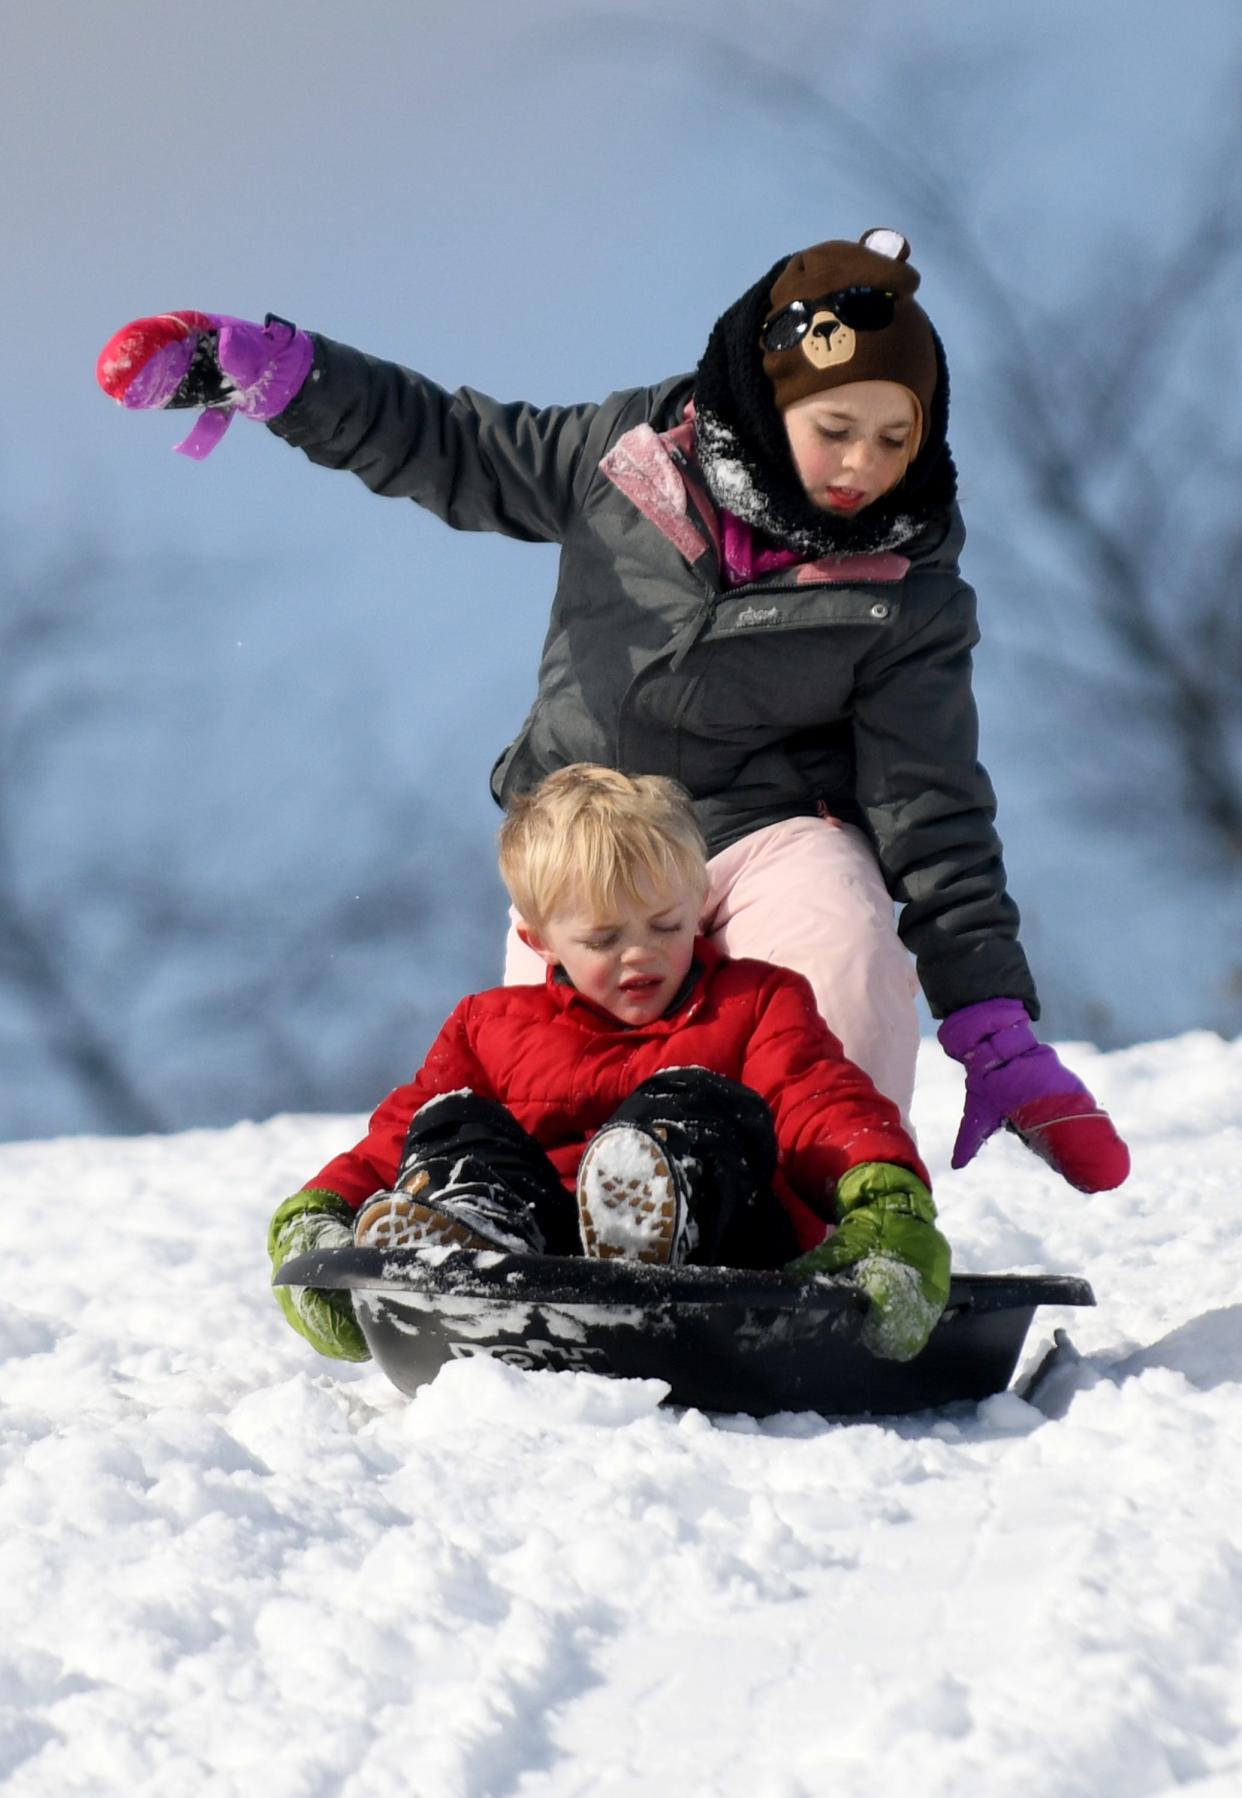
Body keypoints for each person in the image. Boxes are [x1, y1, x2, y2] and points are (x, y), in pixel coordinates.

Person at [96, 228, 1130, 1193]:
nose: (863, 464)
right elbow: (451, 445)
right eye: (836, 428)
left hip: (765, 833)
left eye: (895, 434)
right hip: (595, 827)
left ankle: (839, 1216)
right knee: (559, 1066)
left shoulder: (903, 582)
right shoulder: (628, 458)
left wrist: (990, 1014)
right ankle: (562, 1222)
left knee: (840, 953)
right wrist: (285, 378)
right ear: (770, 405)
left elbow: (928, 795)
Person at [266, 764, 951, 1366]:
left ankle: (654, 1217)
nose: (640, 955)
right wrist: (318, 1215)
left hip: (719, 1254)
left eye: (666, 926)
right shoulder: (490, 1026)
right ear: (541, 942)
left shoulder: (756, 1001)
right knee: (453, 1121)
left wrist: (883, 1197)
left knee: (685, 1100)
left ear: (696, 909)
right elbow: (396, 1135)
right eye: (603, 937)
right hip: (543, 1264)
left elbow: (820, 1103)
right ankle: (473, 1238)